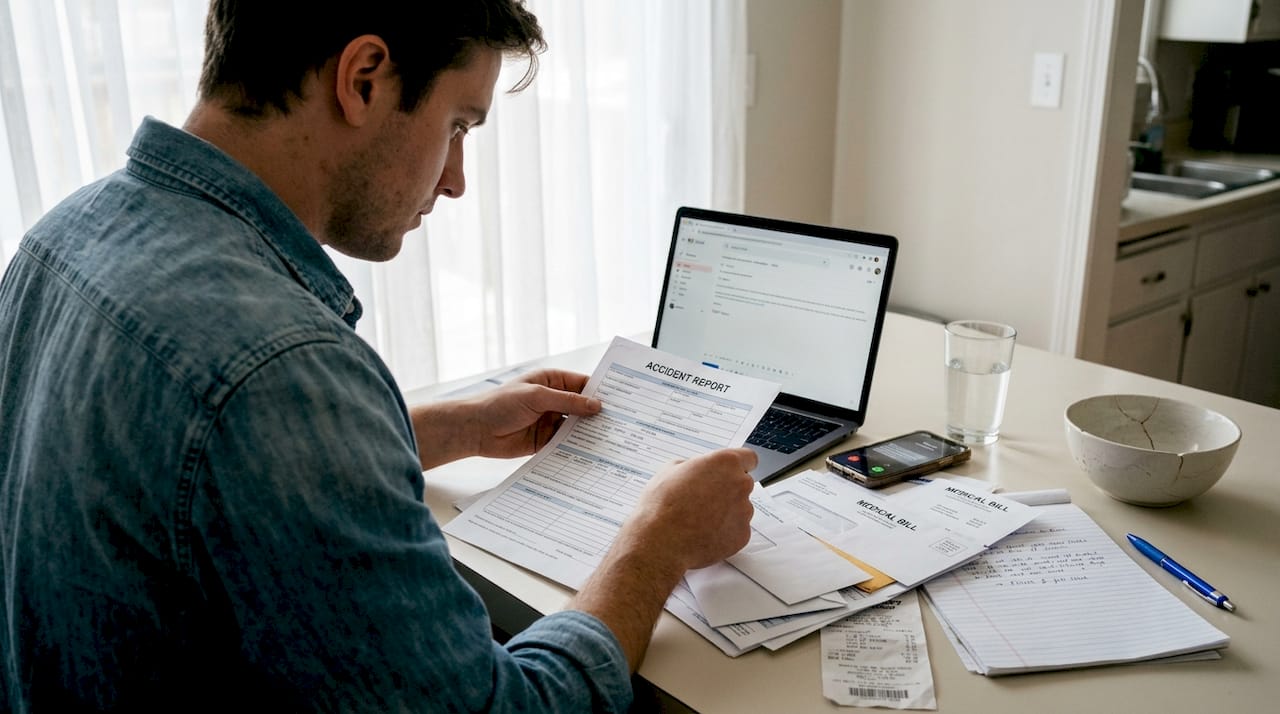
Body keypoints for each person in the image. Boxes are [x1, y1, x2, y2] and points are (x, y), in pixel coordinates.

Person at [0, 1, 757, 711]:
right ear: (363, 79)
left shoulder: (64, 235)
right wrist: (656, 543)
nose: (457, 180)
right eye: (459, 125)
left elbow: (186, 478)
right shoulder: (280, 371)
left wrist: (444, 429)